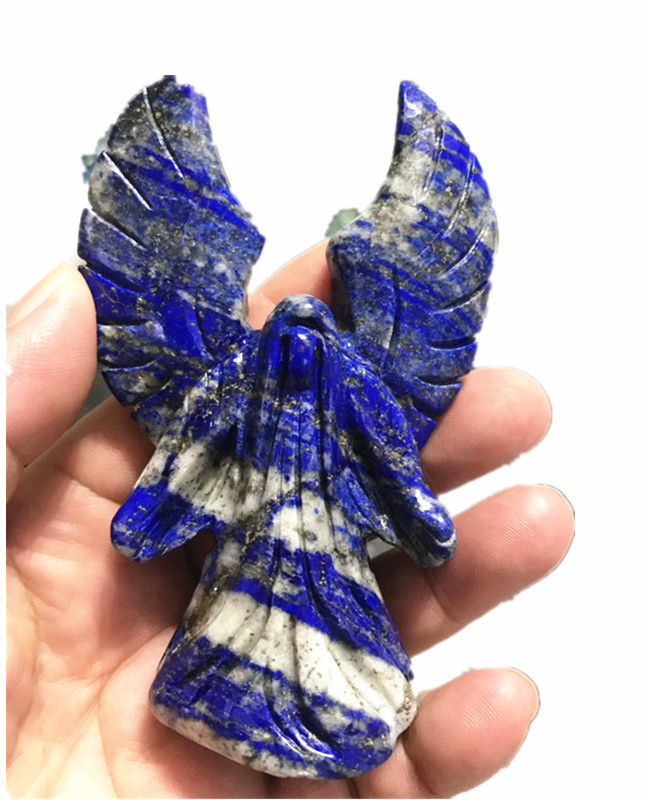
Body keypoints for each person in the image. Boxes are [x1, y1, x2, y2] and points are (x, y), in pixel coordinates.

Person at [6, 244, 574, 798]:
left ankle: (344, 708)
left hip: (328, 541)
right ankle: (224, 700)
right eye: (289, 338)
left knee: (336, 623)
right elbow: (196, 447)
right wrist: (150, 511)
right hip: (252, 537)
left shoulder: (353, 387)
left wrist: (419, 517)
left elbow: (388, 464)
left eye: (313, 338)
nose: (300, 349)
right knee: (239, 615)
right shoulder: (238, 381)